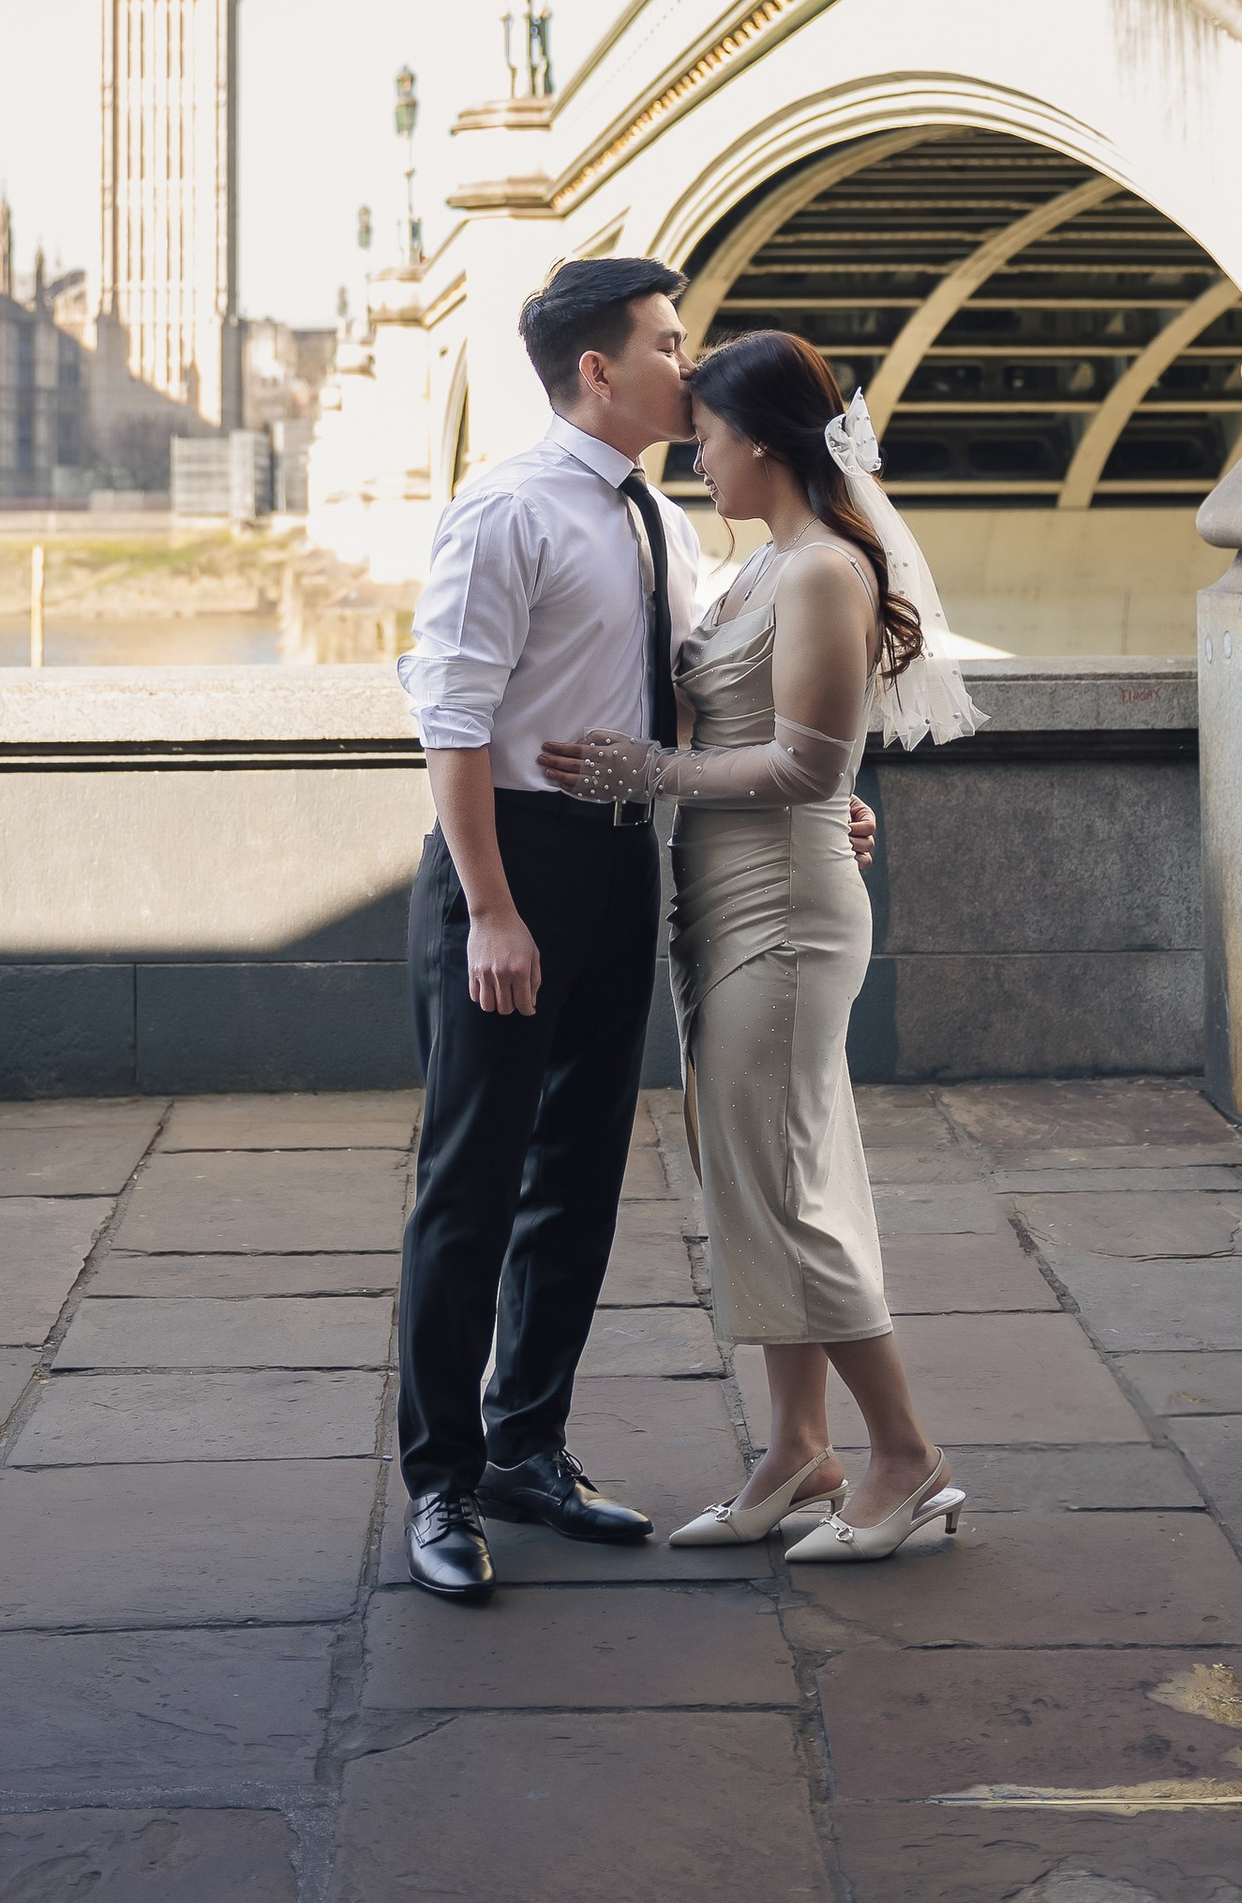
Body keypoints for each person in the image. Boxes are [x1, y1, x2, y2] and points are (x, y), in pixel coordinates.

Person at [544, 328, 984, 1564]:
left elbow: (808, 766)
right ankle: (798, 1448)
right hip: (724, 902)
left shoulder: (820, 574)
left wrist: (649, 768)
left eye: (707, 440)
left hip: (785, 913)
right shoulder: (755, 569)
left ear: (763, 440)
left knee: (787, 1190)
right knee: (756, 1176)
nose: (697, 460)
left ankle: (905, 1455)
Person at [391, 255, 710, 1603]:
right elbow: (451, 724)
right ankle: (441, 1486)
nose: (692, 365)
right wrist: (492, 913)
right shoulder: (505, 511)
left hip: (621, 868)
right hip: (509, 869)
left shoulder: (659, 522)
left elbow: (688, 702)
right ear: (599, 368)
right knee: (469, 1190)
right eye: (671, 342)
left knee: (579, 1179)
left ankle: (531, 1447)